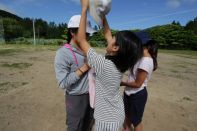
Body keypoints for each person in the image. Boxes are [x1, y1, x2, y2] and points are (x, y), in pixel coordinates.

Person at [76, 0, 143, 130]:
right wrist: (101, 14)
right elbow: (107, 33)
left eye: (113, 38)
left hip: (105, 122)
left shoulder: (103, 65)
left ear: (116, 48)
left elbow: (81, 40)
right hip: (116, 114)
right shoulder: (120, 64)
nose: (110, 37)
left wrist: (84, 9)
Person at [54, 15, 95, 131]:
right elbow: (63, 83)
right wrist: (85, 67)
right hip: (76, 98)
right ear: (72, 32)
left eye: (88, 34)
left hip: (91, 96)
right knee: (75, 127)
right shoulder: (63, 53)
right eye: (84, 33)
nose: (87, 37)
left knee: (89, 125)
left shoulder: (87, 50)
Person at [121, 31, 158, 131]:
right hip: (128, 93)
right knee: (127, 116)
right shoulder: (139, 57)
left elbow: (138, 84)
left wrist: (122, 83)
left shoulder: (146, 61)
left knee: (136, 121)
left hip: (137, 95)